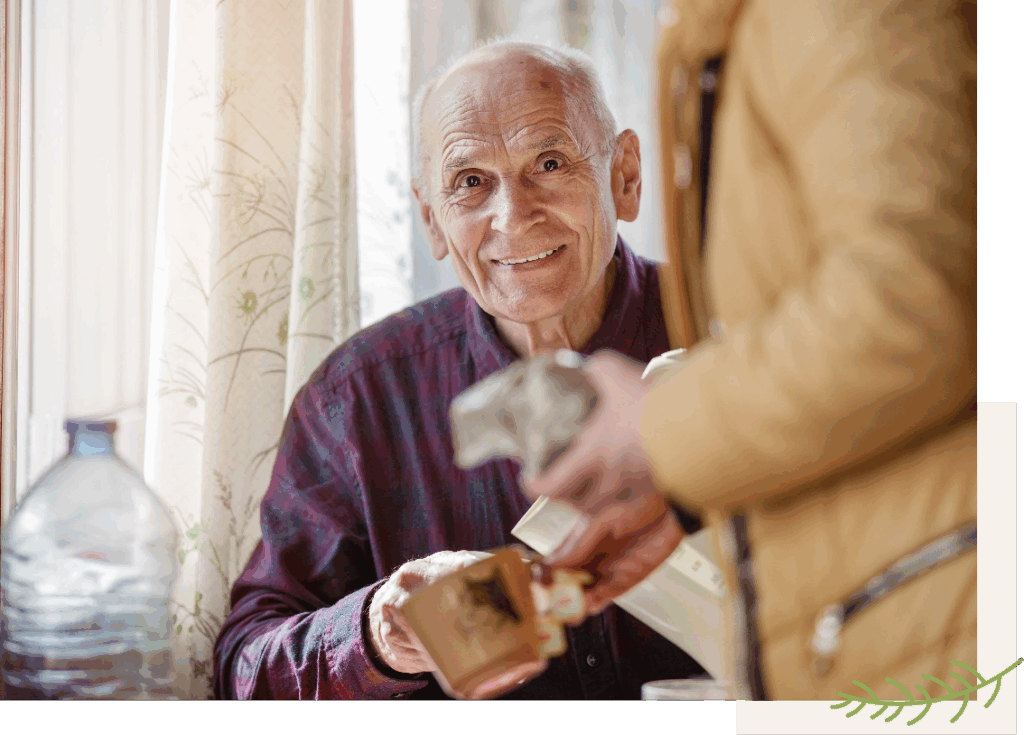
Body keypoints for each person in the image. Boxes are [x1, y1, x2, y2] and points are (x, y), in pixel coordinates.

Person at [212, 40, 705, 700]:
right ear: (432, 221)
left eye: (549, 163)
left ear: (626, 176)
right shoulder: (358, 398)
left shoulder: (736, 345)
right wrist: (380, 633)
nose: (513, 215)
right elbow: (245, 663)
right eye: (471, 182)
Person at [524, 0, 978, 701]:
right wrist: (684, 494)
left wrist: (657, 431)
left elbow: (916, 303)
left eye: (550, 163)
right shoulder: (723, 33)